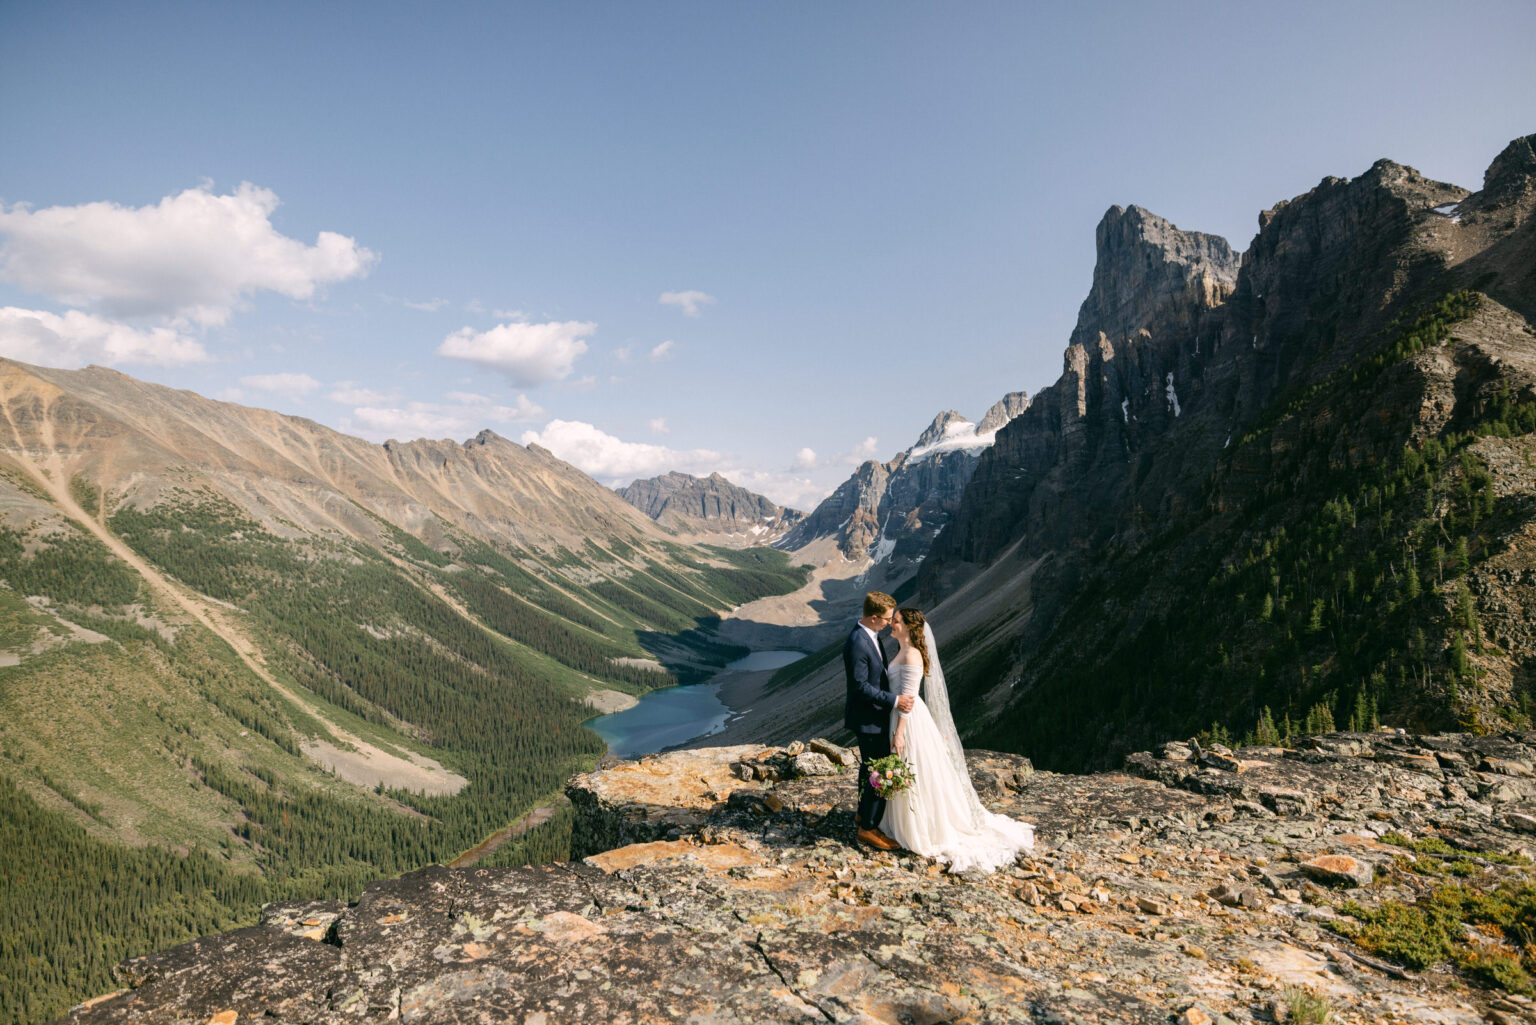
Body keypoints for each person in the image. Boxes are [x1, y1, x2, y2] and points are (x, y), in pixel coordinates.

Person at [881, 607, 1035, 872]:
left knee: (914, 769)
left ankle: (922, 827)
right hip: (900, 718)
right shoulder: (902, 651)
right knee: (913, 772)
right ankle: (905, 823)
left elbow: (908, 698)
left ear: (908, 627)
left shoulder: (912, 655)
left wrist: (899, 733)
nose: (890, 625)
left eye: (895, 622)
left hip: (909, 722)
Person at [843, 590, 913, 850]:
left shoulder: (867, 635)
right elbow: (860, 686)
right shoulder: (858, 642)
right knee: (879, 770)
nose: (889, 624)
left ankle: (863, 814)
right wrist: (895, 701)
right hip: (868, 718)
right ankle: (868, 828)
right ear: (873, 617)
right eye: (886, 619)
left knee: (868, 768)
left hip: (871, 716)